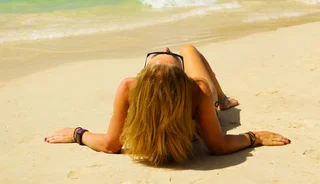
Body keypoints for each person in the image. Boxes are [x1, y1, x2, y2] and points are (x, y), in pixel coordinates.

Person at [45, 44, 290, 165]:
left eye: (159, 55)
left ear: (144, 77)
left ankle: (223, 101)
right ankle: (223, 101)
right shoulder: (198, 89)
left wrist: (79, 134)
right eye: (171, 58)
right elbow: (218, 145)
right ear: (183, 79)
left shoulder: (129, 87)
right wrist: (254, 137)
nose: (165, 47)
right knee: (188, 48)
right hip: (203, 113)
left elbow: (111, 145)